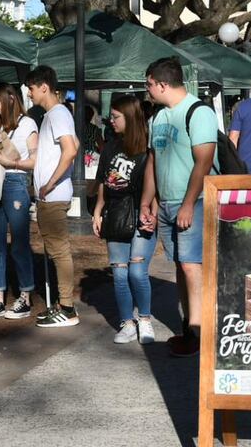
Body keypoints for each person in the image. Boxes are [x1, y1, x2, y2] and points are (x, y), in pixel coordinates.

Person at [140, 57, 217, 357]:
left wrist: (188, 203)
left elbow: (204, 161)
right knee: (181, 266)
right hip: (167, 203)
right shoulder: (158, 118)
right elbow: (153, 161)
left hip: (195, 202)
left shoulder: (199, 112)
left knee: (191, 265)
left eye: (149, 84)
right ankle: (189, 327)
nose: (147, 90)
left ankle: (199, 332)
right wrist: (148, 201)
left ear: (162, 84)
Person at [92, 96, 155, 345]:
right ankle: (127, 322)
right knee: (119, 274)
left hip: (141, 213)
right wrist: (98, 210)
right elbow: (103, 181)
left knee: (137, 271)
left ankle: (145, 318)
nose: (111, 121)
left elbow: (155, 185)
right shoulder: (110, 147)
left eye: (116, 116)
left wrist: (153, 214)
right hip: (116, 213)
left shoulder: (148, 149)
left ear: (130, 117)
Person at [25, 66, 81, 328]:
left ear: (44, 87)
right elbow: (74, 145)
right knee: (56, 250)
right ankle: (63, 304)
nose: (29, 93)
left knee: (59, 251)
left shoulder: (57, 113)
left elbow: (70, 150)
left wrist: (50, 183)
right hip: (52, 194)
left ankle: (67, 308)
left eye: (31, 88)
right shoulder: (55, 114)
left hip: (54, 195)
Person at [0, 83, 38, 320]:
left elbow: (35, 161)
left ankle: (25, 295)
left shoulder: (27, 124)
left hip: (15, 182)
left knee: (19, 242)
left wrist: (11, 163)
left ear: (11, 99)